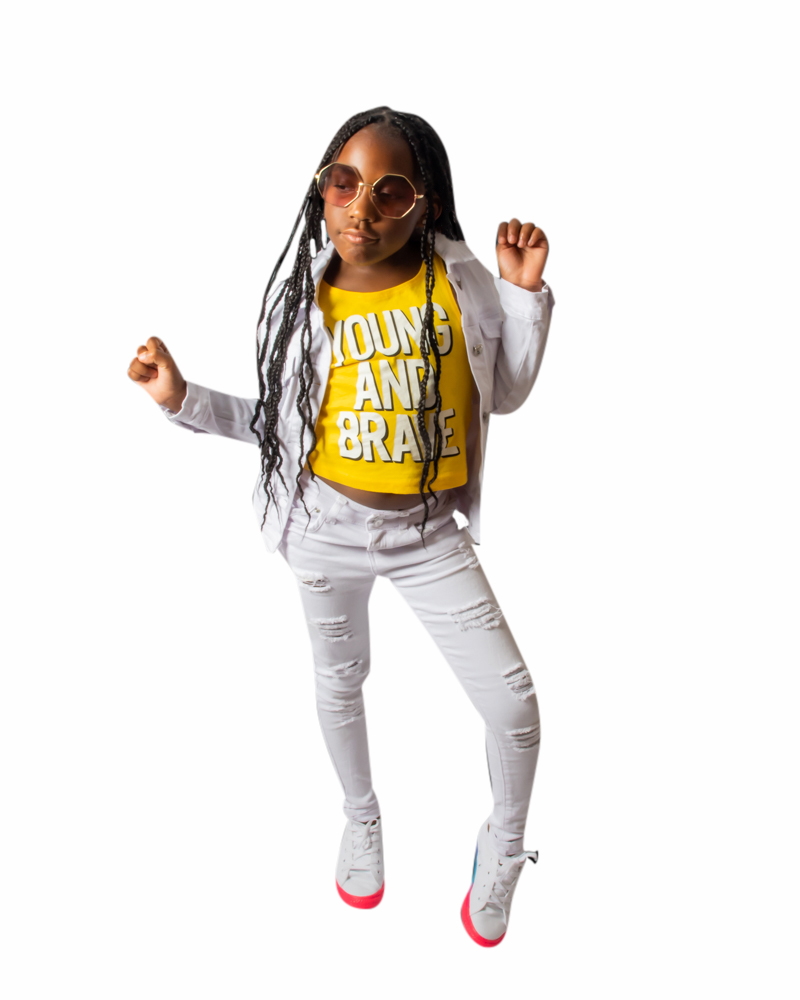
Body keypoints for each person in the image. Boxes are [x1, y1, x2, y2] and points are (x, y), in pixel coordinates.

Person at [127, 106, 554, 947]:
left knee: (514, 706)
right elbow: (277, 427)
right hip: (321, 529)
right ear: (321, 191)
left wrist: (523, 294)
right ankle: (362, 817)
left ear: (425, 204)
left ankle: (504, 847)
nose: (361, 209)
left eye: (389, 192)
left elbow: (503, 392)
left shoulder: (460, 280)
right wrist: (182, 399)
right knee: (341, 679)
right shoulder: (302, 299)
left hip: (429, 537)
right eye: (343, 184)